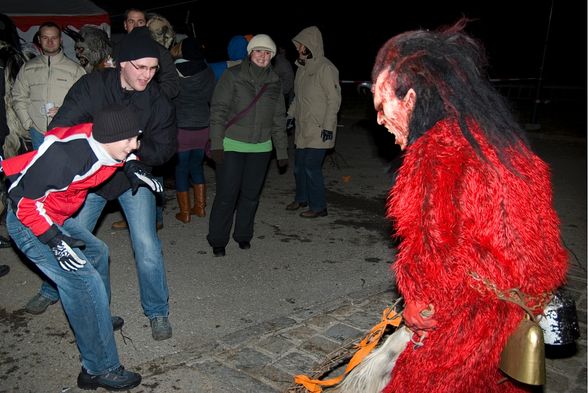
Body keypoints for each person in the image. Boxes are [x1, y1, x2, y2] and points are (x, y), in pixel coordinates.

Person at [370, 19, 568, 393]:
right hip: (512, 316)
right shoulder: (499, 139)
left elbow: (432, 247)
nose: (379, 119)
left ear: (411, 98)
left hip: (465, 320)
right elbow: (543, 245)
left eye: (383, 106)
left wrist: (417, 304)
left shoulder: (437, 151)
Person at [23, 26, 176, 341]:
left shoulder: (157, 100)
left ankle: (158, 311)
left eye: (153, 68)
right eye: (140, 67)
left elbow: (165, 148)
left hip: (133, 179)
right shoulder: (92, 86)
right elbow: (62, 126)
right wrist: (103, 146)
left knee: (147, 245)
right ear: (121, 62)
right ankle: (52, 287)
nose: (147, 75)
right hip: (90, 178)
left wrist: (133, 152)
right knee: (66, 238)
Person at [3, 104, 159, 391]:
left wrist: (133, 165)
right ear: (108, 138)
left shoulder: (106, 141)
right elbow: (24, 204)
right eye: (129, 141)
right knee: (82, 282)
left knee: (97, 252)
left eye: (136, 138)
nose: (135, 145)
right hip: (31, 223)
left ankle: (96, 317)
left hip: (54, 214)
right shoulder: (66, 157)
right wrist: (54, 241)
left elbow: (120, 151)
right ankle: (99, 369)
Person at [207, 33, 288, 257]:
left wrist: (281, 150)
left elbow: (278, 118)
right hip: (232, 144)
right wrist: (216, 144)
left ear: (272, 56)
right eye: (258, 51)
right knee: (227, 195)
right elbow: (218, 111)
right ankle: (218, 239)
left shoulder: (274, 82)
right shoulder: (232, 76)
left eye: (267, 52)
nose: (262, 56)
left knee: (251, 196)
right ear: (250, 53)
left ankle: (243, 235)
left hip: (261, 148)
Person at [111, 8, 180, 232]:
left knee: (149, 165)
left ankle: (153, 216)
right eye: (131, 21)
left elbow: (172, 84)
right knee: (119, 167)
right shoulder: (116, 50)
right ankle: (129, 213)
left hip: (149, 120)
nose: (136, 25)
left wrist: (149, 94)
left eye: (141, 22)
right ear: (125, 25)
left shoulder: (159, 52)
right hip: (119, 119)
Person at [285, 26, 341, 218]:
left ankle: (319, 207)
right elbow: (297, 97)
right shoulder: (302, 68)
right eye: (298, 44)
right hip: (303, 127)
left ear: (311, 44)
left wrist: (328, 126)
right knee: (299, 166)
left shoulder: (326, 68)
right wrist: (290, 115)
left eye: (301, 43)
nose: (298, 47)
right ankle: (301, 199)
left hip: (319, 128)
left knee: (311, 166)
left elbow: (334, 99)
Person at [12, 21, 86, 149]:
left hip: (65, 131)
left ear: (60, 40)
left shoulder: (75, 70)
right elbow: (18, 96)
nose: (50, 42)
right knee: (40, 168)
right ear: (39, 40)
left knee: (64, 168)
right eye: (45, 38)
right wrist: (28, 123)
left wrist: (65, 112)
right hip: (37, 133)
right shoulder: (28, 68)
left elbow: (84, 102)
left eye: (54, 38)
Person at [172, 37, 215, 222]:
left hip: (181, 129)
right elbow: (212, 97)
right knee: (197, 166)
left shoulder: (172, 72)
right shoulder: (208, 71)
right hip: (203, 128)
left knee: (181, 169)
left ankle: (185, 213)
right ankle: (200, 207)